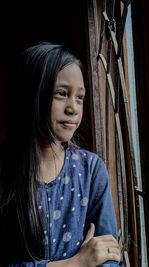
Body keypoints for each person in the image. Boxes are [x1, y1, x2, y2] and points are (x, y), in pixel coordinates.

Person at [0, 42, 124, 267]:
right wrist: (76, 263)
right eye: (61, 94)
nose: (73, 108)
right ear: (32, 96)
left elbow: (109, 257)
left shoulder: (90, 170)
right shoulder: (5, 173)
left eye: (79, 97)